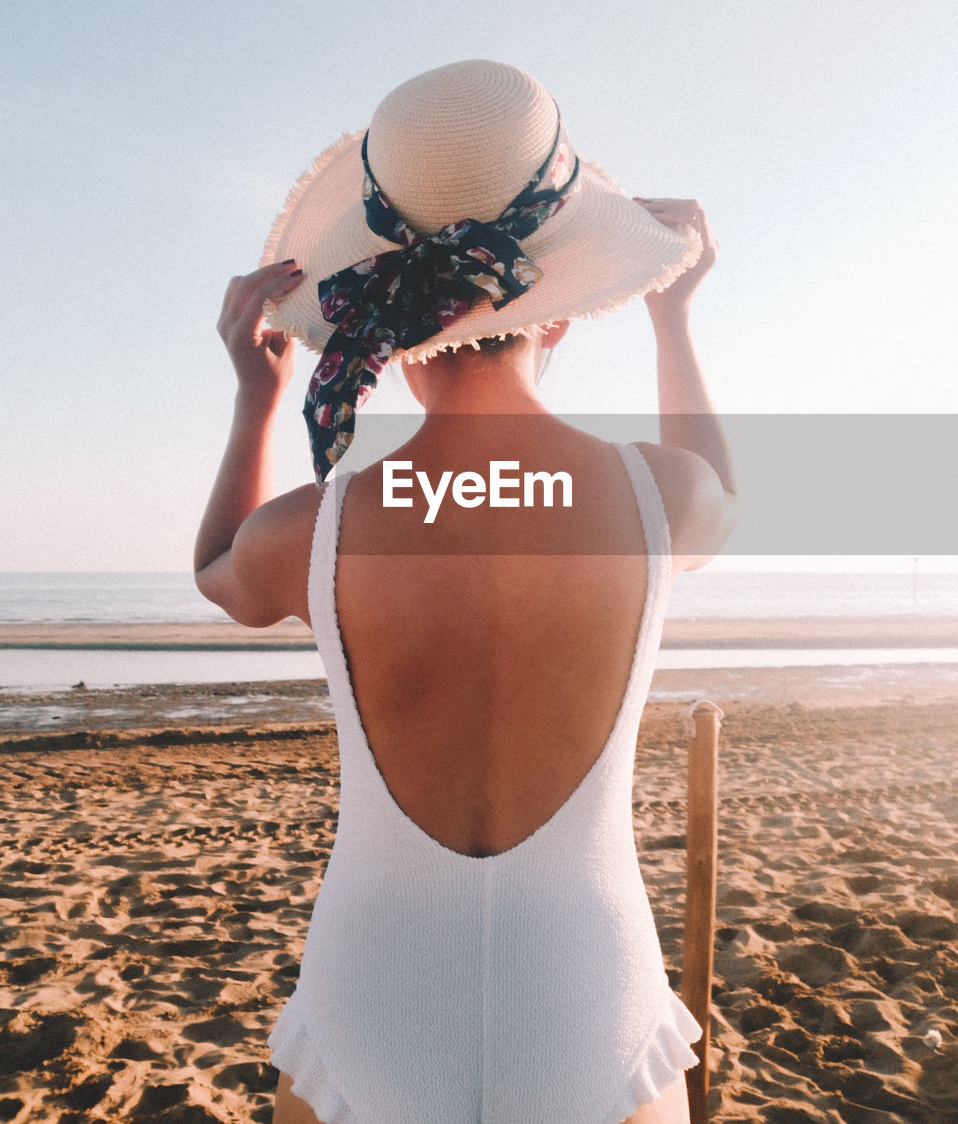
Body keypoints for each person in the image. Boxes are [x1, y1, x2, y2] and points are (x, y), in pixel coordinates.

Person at [194, 60, 736, 1124]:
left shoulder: (317, 528)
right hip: (590, 985)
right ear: (566, 314)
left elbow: (221, 576)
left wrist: (257, 401)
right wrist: (674, 322)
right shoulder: (657, 496)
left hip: (372, 992)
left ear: (390, 343)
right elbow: (719, 496)